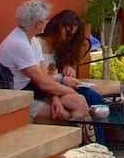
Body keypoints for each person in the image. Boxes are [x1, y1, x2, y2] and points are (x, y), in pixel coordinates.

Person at [0, 0, 89, 124]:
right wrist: (71, 91)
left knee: (79, 101)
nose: (48, 22)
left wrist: (55, 99)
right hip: (18, 98)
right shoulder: (19, 43)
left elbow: (45, 78)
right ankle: (85, 141)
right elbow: (43, 83)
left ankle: (91, 142)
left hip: (33, 92)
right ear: (38, 24)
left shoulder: (33, 41)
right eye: (46, 19)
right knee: (66, 116)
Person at [36, 10, 106, 142]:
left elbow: (57, 70)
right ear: (57, 27)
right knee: (87, 98)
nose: (67, 38)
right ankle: (96, 144)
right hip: (47, 87)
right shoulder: (38, 44)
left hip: (60, 83)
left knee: (94, 96)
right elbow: (41, 77)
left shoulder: (61, 47)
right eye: (66, 33)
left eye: (71, 35)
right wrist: (62, 79)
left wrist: (68, 69)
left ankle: (98, 144)